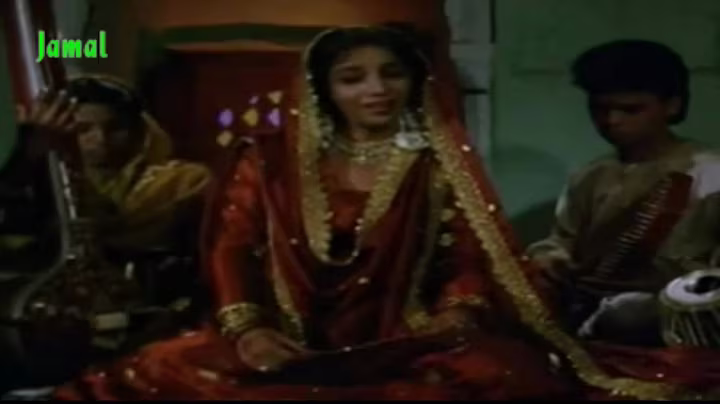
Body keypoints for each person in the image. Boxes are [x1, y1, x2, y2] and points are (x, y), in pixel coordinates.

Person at [51, 27, 703, 401]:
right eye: (353, 77)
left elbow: (466, 257)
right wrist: (249, 330)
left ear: (414, 81)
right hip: (289, 333)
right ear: (324, 90)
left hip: (405, 335)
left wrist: (459, 310)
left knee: (500, 377)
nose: (376, 89)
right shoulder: (268, 159)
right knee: (158, 373)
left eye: (391, 73)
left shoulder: (435, 162)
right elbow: (232, 248)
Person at [527, 40, 720, 396]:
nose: (612, 120)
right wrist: (549, 260)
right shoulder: (591, 176)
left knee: (628, 315)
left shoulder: (710, 172)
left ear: (672, 105)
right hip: (588, 312)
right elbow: (562, 240)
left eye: (631, 109)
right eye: (600, 108)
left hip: (675, 324)